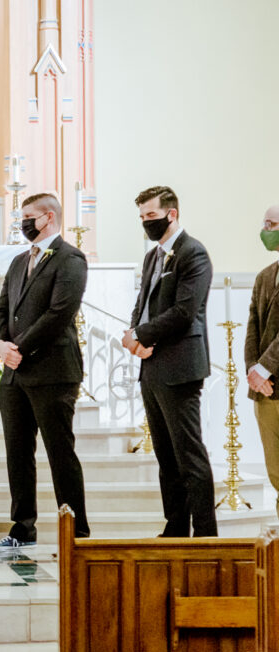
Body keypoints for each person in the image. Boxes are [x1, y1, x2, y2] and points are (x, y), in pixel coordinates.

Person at [0, 193, 90, 551]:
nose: (22, 222)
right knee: (18, 453)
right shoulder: (18, 262)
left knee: (60, 452)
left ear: (48, 218)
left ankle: (77, 533)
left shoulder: (70, 258)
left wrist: (20, 348)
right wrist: (0, 345)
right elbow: (1, 311)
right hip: (14, 374)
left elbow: (60, 313)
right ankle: (22, 529)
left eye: (28, 216)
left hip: (53, 371)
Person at [123, 185, 216, 537]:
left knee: (189, 454)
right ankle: (176, 526)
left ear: (171, 213)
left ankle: (206, 535)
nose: (146, 222)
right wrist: (134, 334)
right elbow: (143, 302)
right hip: (152, 366)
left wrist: (143, 335)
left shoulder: (193, 253)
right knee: (166, 456)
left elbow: (184, 311)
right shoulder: (152, 256)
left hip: (180, 366)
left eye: (151, 216)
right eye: (142, 217)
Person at [244, 204, 279, 520]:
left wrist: (265, 367)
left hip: (272, 377)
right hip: (266, 391)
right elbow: (253, 327)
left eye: (271, 224)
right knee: (275, 470)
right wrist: (253, 372)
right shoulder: (264, 276)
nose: (265, 230)